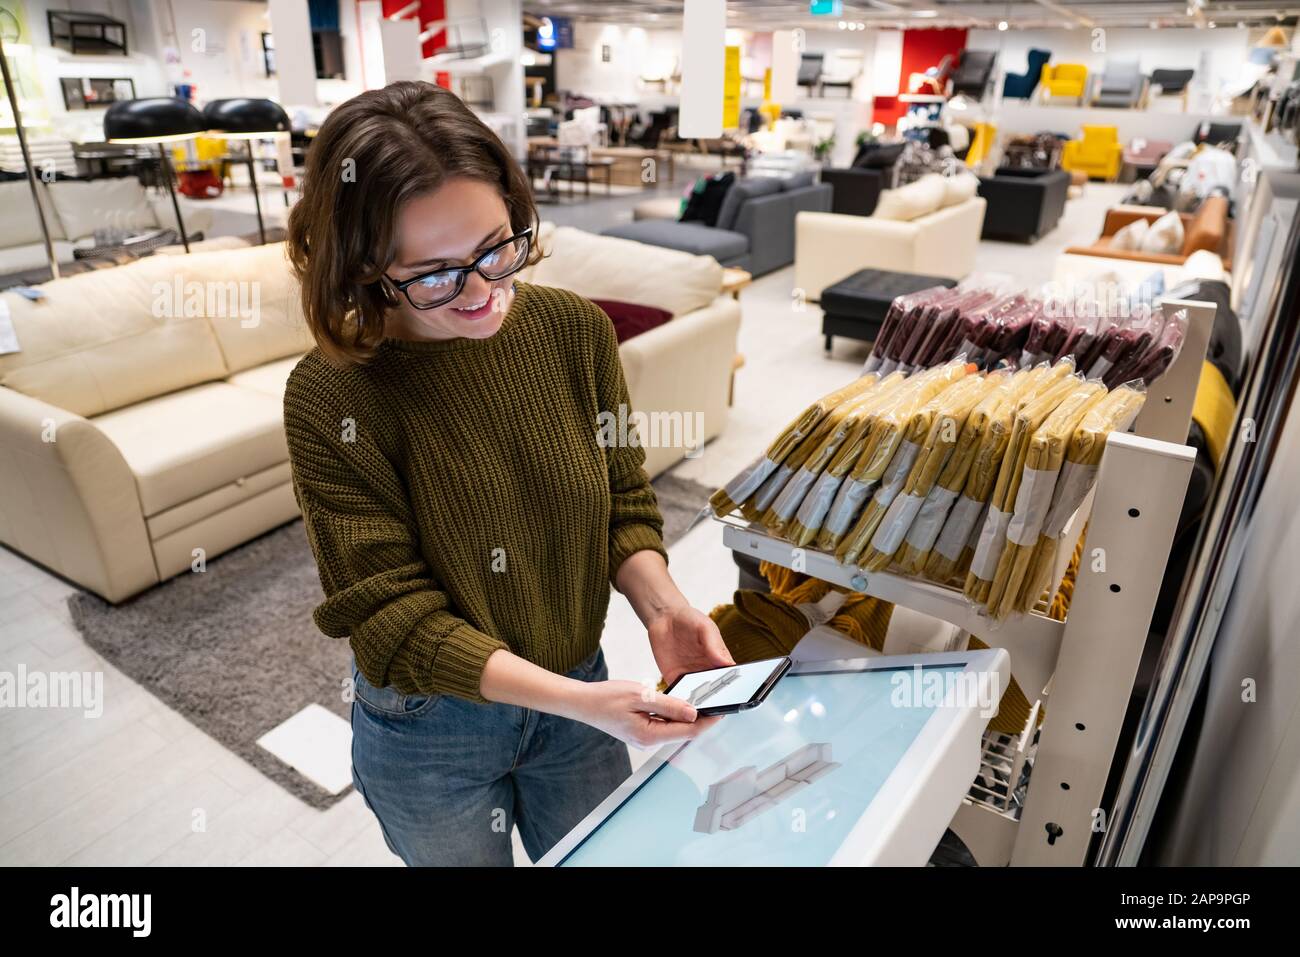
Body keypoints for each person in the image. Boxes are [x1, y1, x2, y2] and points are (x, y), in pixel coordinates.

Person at [282, 80, 734, 866]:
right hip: (433, 729)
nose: (486, 292)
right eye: (434, 274)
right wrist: (582, 702)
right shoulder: (331, 395)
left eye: (498, 246)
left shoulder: (571, 331)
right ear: (361, 268)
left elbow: (622, 501)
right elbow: (392, 617)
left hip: (579, 690)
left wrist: (663, 607)